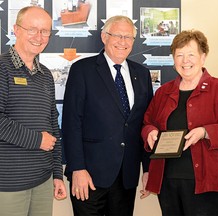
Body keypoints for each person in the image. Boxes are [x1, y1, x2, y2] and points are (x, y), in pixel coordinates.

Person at [140, 29, 218, 216]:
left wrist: (206, 132)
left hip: (210, 183)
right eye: (179, 55)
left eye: (191, 54)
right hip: (168, 181)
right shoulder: (163, 93)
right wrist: (149, 131)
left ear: (203, 57)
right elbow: (147, 122)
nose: (185, 61)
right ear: (173, 60)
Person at [62, 15, 153, 216]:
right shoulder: (82, 70)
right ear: (104, 37)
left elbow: (147, 125)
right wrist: (77, 168)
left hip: (126, 175)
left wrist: (147, 169)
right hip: (88, 175)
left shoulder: (142, 74)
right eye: (118, 35)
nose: (123, 42)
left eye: (128, 37)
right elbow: (71, 122)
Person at [0, 6, 67, 216]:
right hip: (8, 184)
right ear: (16, 30)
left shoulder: (45, 75)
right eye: (32, 29)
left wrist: (57, 174)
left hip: (43, 181)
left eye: (45, 31)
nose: (39, 37)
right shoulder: (2, 68)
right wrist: (36, 140)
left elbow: (53, 127)